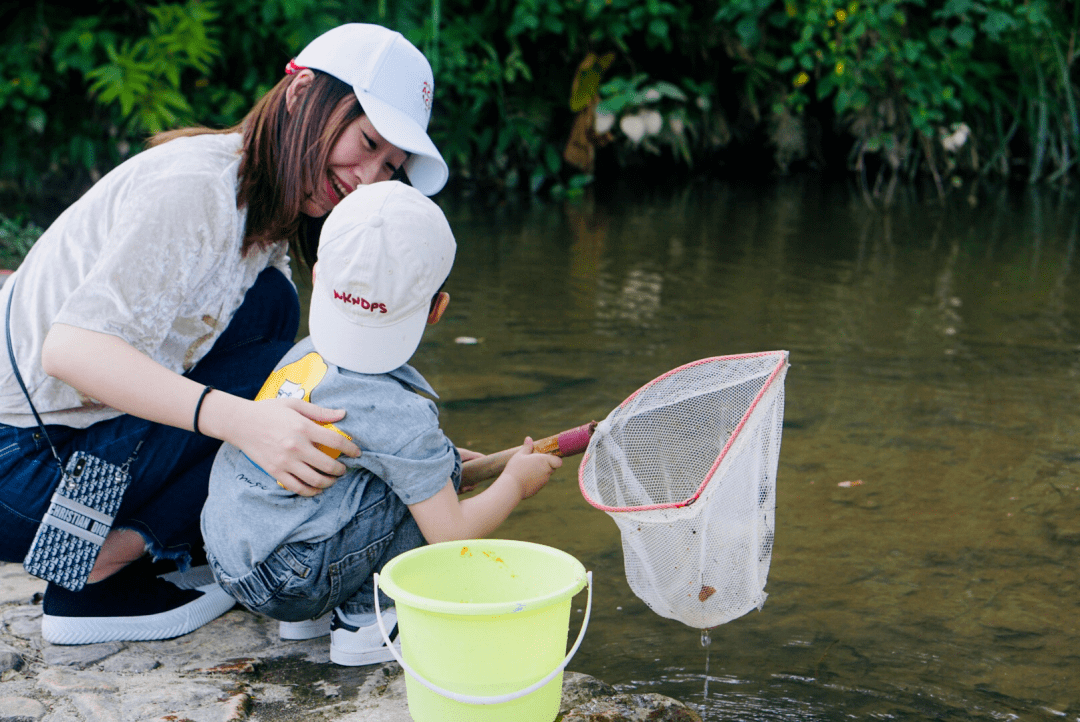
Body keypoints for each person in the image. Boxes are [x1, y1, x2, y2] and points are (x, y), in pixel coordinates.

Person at [0, 23, 455, 646]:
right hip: (23, 466)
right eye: (367, 141)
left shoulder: (266, 213)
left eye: (390, 166)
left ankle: (150, 543)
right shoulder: (196, 187)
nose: (367, 177)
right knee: (287, 373)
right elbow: (70, 350)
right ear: (299, 96)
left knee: (278, 320)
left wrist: (408, 459)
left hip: (65, 446)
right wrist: (242, 421)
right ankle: (95, 568)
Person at [201, 181, 563, 666]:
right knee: (415, 491)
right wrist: (515, 483)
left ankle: (306, 621)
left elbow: (366, 442)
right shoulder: (403, 415)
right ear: (438, 308)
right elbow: (450, 535)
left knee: (416, 471)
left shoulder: (306, 353)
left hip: (226, 549)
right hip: (292, 576)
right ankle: (366, 621)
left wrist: (449, 466)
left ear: (316, 275)